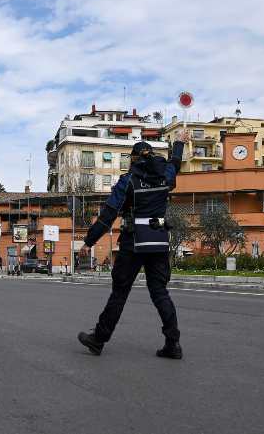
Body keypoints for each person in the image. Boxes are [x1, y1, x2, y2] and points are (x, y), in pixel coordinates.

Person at [77, 131, 189, 359]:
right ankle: (173, 343)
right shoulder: (165, 177)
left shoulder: (128, 181)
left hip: (133, 242)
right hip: (158, 240)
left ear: (134, 159)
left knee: (119, 293)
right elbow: (175, 164)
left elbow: (108, 215)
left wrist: (89, 241)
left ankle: (98, 339)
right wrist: (178, 142)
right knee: (160, 292)